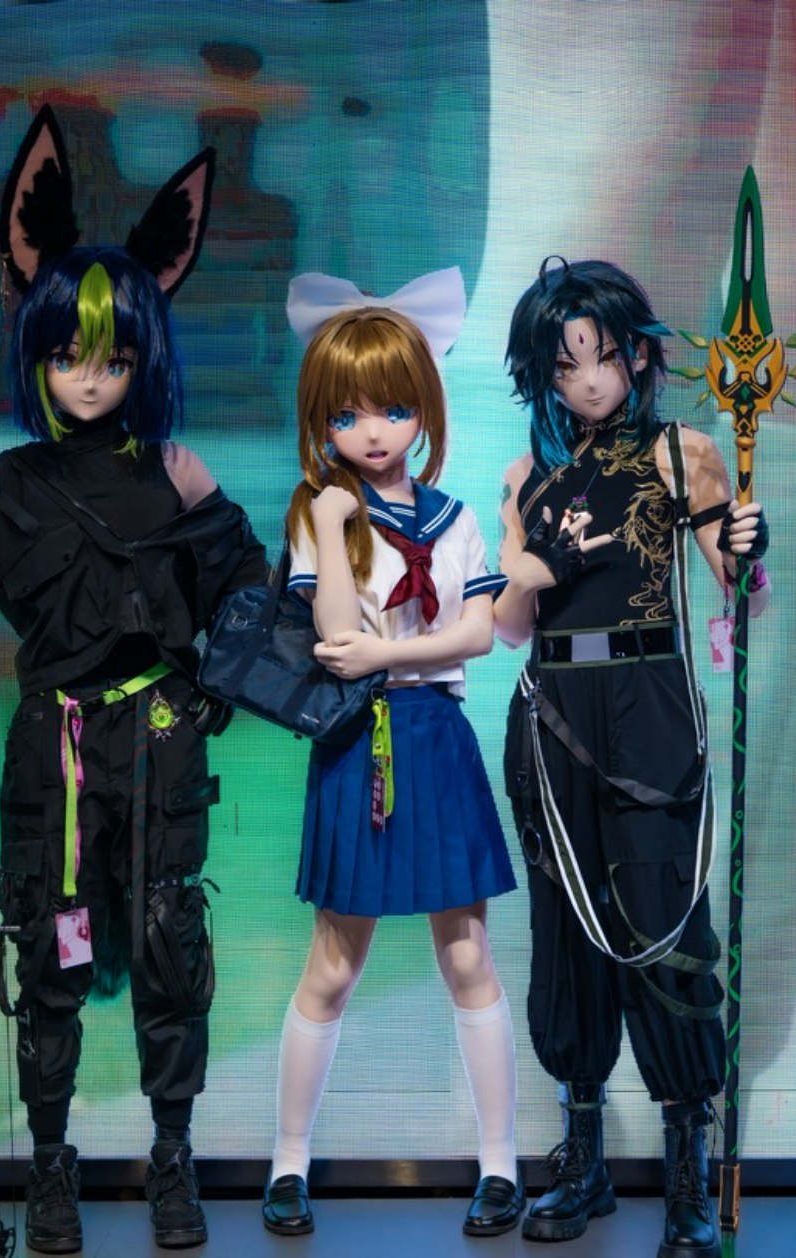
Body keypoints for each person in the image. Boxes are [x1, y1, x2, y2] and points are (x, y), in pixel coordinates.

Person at [0, 107, 267, 1253]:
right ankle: (51, 1174)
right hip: (52, 753)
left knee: (167, 948)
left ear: (143, 358)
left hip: (157, 743)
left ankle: (171, 1165)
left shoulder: (177, 472)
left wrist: (219, 682)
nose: (89, 376)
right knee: (49, 954)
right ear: (39, 354)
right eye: (68, 355)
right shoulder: (8, 483)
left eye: (111, 357)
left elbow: (247, 586)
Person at [494, 259, 769, 1257]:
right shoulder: (527, 477)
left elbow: (739, 587)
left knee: (665, 923)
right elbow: (509, 628)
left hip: (648, 700)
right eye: (568, 365)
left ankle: (688, 1173)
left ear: (638, 356)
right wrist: (531, 567)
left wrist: (749, 546)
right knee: (566, 932)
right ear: (545, 374)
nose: (590, 380)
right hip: (553, 710)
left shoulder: (679, 453)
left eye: (605, 356)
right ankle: (584, 1162)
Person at [259, 269, 523, 1239]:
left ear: (424, 409)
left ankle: (500, 1166)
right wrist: (333, 528)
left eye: (393, 409)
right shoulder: (318, 515)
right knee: (333, 962)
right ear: (322, 421)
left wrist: (389, 654)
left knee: (467, 953)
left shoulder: (454, 518)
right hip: (354, 742)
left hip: (434, 734)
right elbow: (333, 636)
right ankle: (289, 1163)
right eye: (349, 415)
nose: (373, 432)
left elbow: (478, 633)